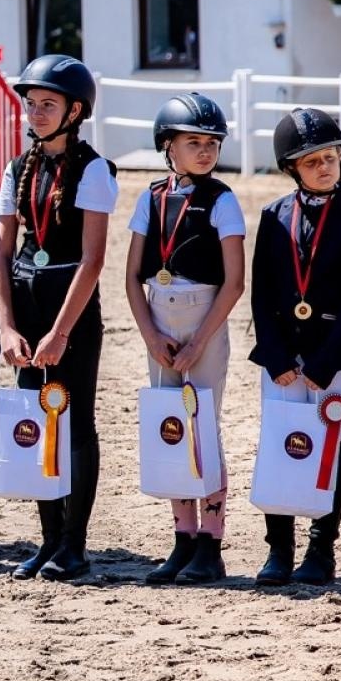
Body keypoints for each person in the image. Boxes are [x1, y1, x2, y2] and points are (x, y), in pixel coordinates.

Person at [0, 56, 118, 582]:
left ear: (75, 110)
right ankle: (46, 539)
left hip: (70, 307)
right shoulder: (17, 168)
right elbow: (0, 254)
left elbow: (92, 259)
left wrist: (60, 332)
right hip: (25, 302)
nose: (37, 113)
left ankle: (74, 543)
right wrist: (5, 325)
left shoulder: (93, 169)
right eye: (32, 103)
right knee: (35, 417)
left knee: (75, 421)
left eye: (48, 104)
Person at [249, 108, 341, 587]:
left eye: (330, 157)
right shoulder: (272, 216)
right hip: (282, 349)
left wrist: (323, 364)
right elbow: (261, 292)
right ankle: (278, 548)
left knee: (329, 440)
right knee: (281, 442)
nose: (325, 167)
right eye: (312, 162)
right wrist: (277, 355)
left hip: (336, 350)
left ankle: (321, 547)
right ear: (292, 169)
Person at [125, 94, 245, 585]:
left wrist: (199, 342)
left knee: (204, 426)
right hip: (159, 315)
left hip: (205, 319)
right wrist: (150, 334)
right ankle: (183, 536)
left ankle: (211, 543)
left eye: (211, 143)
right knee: (169, 425)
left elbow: (235, 282)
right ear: (167, 146)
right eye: (193, 142)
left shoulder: (223, 200)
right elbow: (132, 275)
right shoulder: (149, 198)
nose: (205, 151)